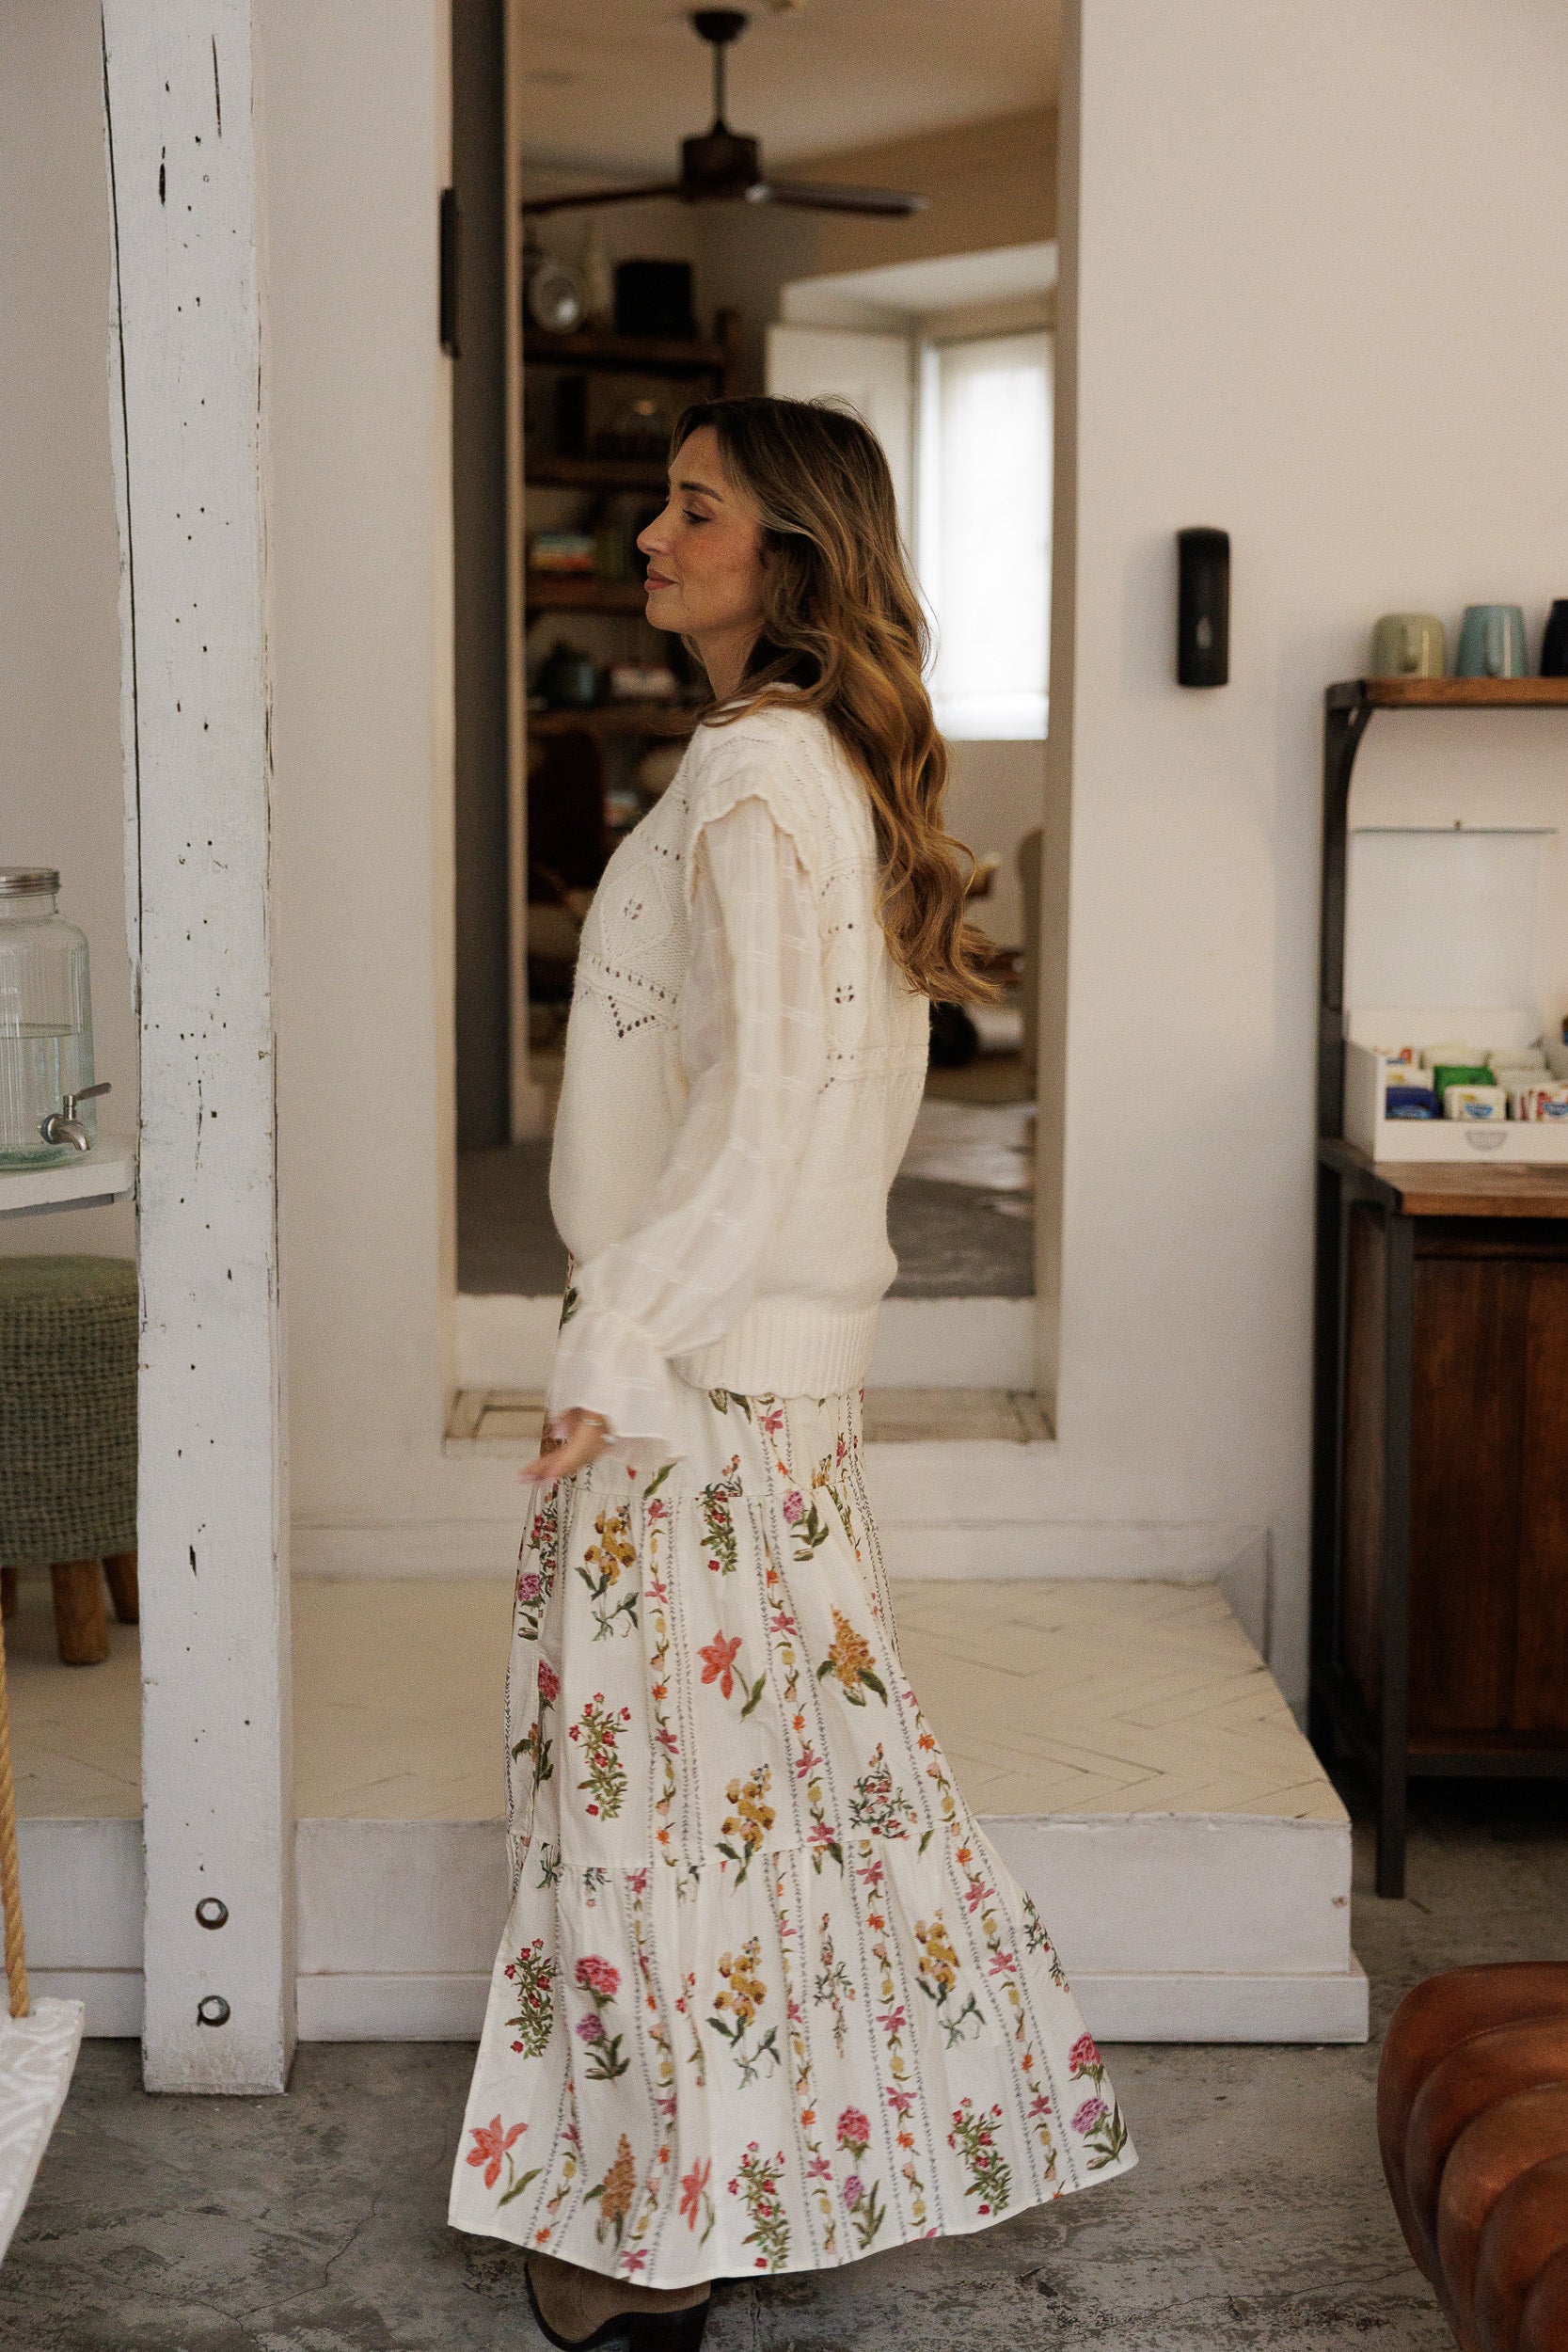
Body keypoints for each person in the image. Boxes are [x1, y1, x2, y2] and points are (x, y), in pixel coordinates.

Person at [448, 396, 1135, 2349]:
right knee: (779, 1791)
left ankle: (643, 2242)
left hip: (694, 1378)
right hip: (771, 1379)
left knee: (639, 1808)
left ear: (791, 554)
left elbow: (758, 1110)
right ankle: (754, 2177)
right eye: (662, 504)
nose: (651, 539)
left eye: (695, 508)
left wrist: (621, 1332)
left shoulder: (755, 771)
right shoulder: (821, 766)